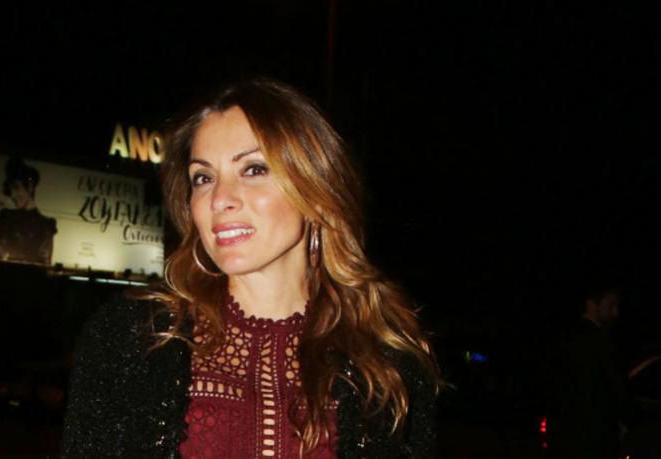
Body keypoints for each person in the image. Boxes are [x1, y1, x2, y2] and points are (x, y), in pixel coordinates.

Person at [61, 78, 441, 458]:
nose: (219, 199)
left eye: (254, 169)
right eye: (203, 178)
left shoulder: (387, 362)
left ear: (316, 190)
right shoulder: (130, 337)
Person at [551, 282, 627, 459]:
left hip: (568, 439)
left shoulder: (567, 338)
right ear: (592, 304)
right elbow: (616, 387)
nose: (616, 313)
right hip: (595, 440)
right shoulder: (599, 342)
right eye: (611, 305)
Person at [0, 157, 57, 266]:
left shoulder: (45, 225)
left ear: (30, 187)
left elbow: (44, 264)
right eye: (11, 189)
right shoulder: (6, 217)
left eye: (17, 188)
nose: (13, 195)